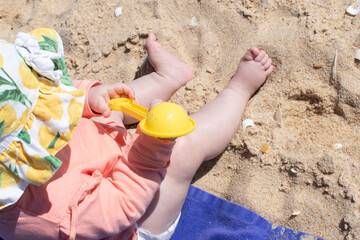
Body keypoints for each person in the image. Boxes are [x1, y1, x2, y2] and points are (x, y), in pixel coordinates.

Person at [0, 28, 273, 240]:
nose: (49, 103)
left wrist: (88, 98)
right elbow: (122, 206)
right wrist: (150, 150)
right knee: (182, 150)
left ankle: (168, 78)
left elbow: (56, 94)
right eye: (40, 109)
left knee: (114, 101)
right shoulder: (54, 210)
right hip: (128, 216)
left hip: (94, 158)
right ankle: (239, 90)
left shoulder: (20, 121)